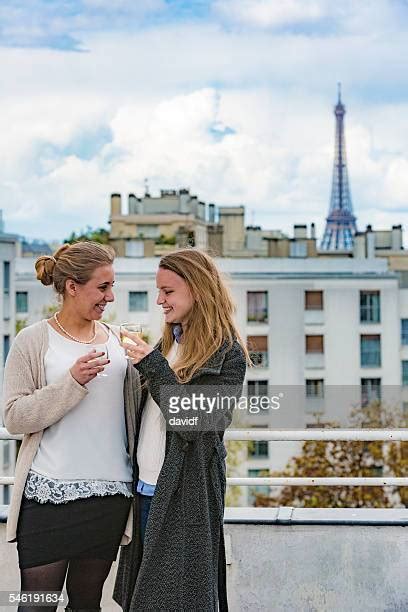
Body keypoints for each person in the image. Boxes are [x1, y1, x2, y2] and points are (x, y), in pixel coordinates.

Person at [2, 241, 140, 612]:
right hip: (49, 497)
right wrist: (71, 383)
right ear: (71, 287)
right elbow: (14, 416)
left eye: (112, 286)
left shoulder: (119, 341)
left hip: (110, 495)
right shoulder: (32, 340)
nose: (111, 296)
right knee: (35, 605)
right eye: (103, 287)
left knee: (86, 605)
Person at [113, 248, 250, 612]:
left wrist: (151, 364)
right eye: (159, 291)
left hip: (185, 496)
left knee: (176, 600)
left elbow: (191, 422)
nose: (159, 300)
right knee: (143, 598)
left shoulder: (228, 355)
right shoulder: (170, 342)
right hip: (145, 490)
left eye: (168, 292)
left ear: (198, 290)